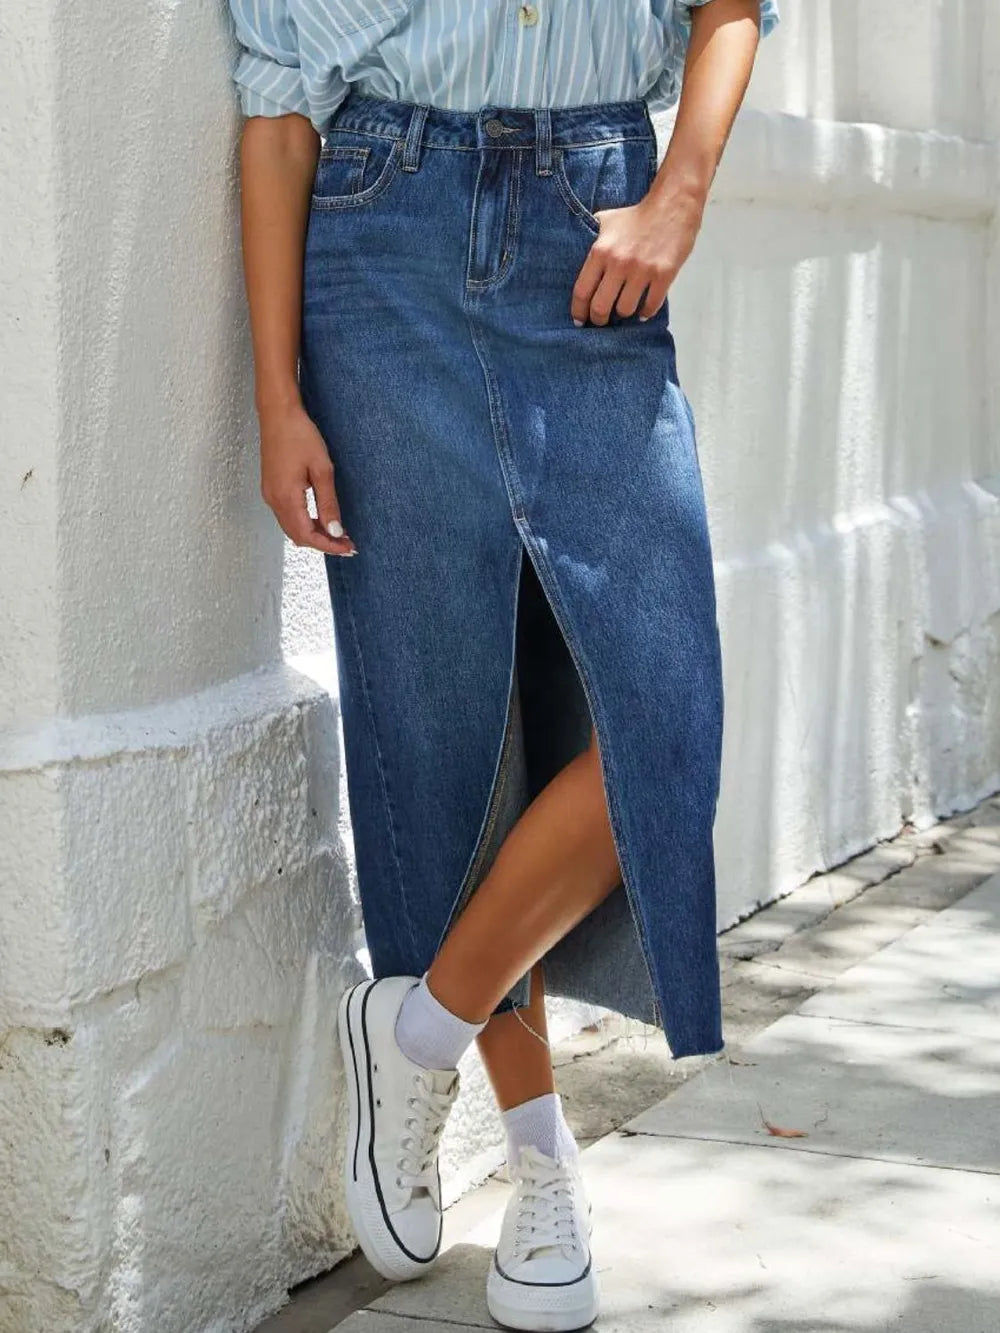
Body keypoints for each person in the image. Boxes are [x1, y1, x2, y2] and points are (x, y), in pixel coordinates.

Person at [227, 2, 779, 1328]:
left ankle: (414, 1030)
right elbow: (279, 111)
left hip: (590, 228)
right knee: (452, 728)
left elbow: (733, 7)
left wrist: (678, 196)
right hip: (379, 231)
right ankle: (542, 1159)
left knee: (663, 716)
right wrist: (276, 396)